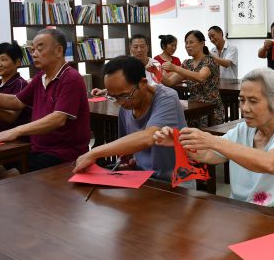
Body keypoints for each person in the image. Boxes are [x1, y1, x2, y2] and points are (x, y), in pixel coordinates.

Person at [154, 68, 274, 215]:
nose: (244, 108)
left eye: (253, 101)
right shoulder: (243, 130)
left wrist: (213, 141)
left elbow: (271, 164)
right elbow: (209, 154)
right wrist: (179, 141)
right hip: (246, 214)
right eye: (242, 100)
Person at [0, 29, 90, 173]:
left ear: (59, 51)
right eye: (32, 50)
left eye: (40, 49)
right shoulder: (40, 77)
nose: (34, 54)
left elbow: (58, 119)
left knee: (7, 174)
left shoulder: (71, 78)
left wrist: (15, 131)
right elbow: (16, 101)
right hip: (37, 150)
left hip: (63, 154)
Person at [73, 56, 190, 186]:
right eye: (113, 97)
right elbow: (126, 151)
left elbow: (149, 136)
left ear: (143, 83)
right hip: (143, 178)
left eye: (124, 95)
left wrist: (93, 153)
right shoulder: (126, 107)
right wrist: (127, 161)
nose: (120, 102)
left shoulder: (167, 98)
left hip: (176, 182)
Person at [161, 30, 224, 127]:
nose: (188, 46)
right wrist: (155, 72)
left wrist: (175, 68)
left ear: (202, 43)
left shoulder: (210, 60)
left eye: (191, 42)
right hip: (193, 108)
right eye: (186, 43)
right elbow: (169, 82)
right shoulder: (187, 63)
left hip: (211, 110)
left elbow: (200, 77)